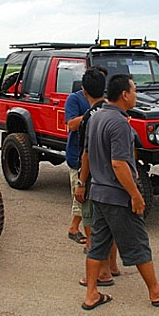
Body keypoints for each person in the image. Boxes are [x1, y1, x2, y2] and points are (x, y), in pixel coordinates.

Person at [78, 74, 159, 310]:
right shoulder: (119, 123)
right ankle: (156, 292)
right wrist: (136, 195)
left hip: (98, 193)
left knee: (97, 245)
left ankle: (91, 294)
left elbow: (87, 153)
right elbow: (119, 164)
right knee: (138, 243)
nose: (137, 95)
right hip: (117, 196)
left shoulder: (96, 117)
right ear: (124, 94)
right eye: (134, 91)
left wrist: (82, 182)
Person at [73, 67, 119, 286]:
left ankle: (101, 273)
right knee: (110, 225)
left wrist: (81, 182)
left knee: (93, 226)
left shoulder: (89, 117)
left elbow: (87, 154)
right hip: (113, 177)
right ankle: (113, 265)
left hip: (95, 179)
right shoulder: (114, 112)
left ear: (84, 91)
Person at [64, 72, 90, 245]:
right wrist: (91, 114)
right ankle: (74, 229)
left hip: (93, 155)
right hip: (77, 155)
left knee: (86, 195)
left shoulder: (104, 101)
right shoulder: (75, 99)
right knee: (80, 194)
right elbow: (71, 124)